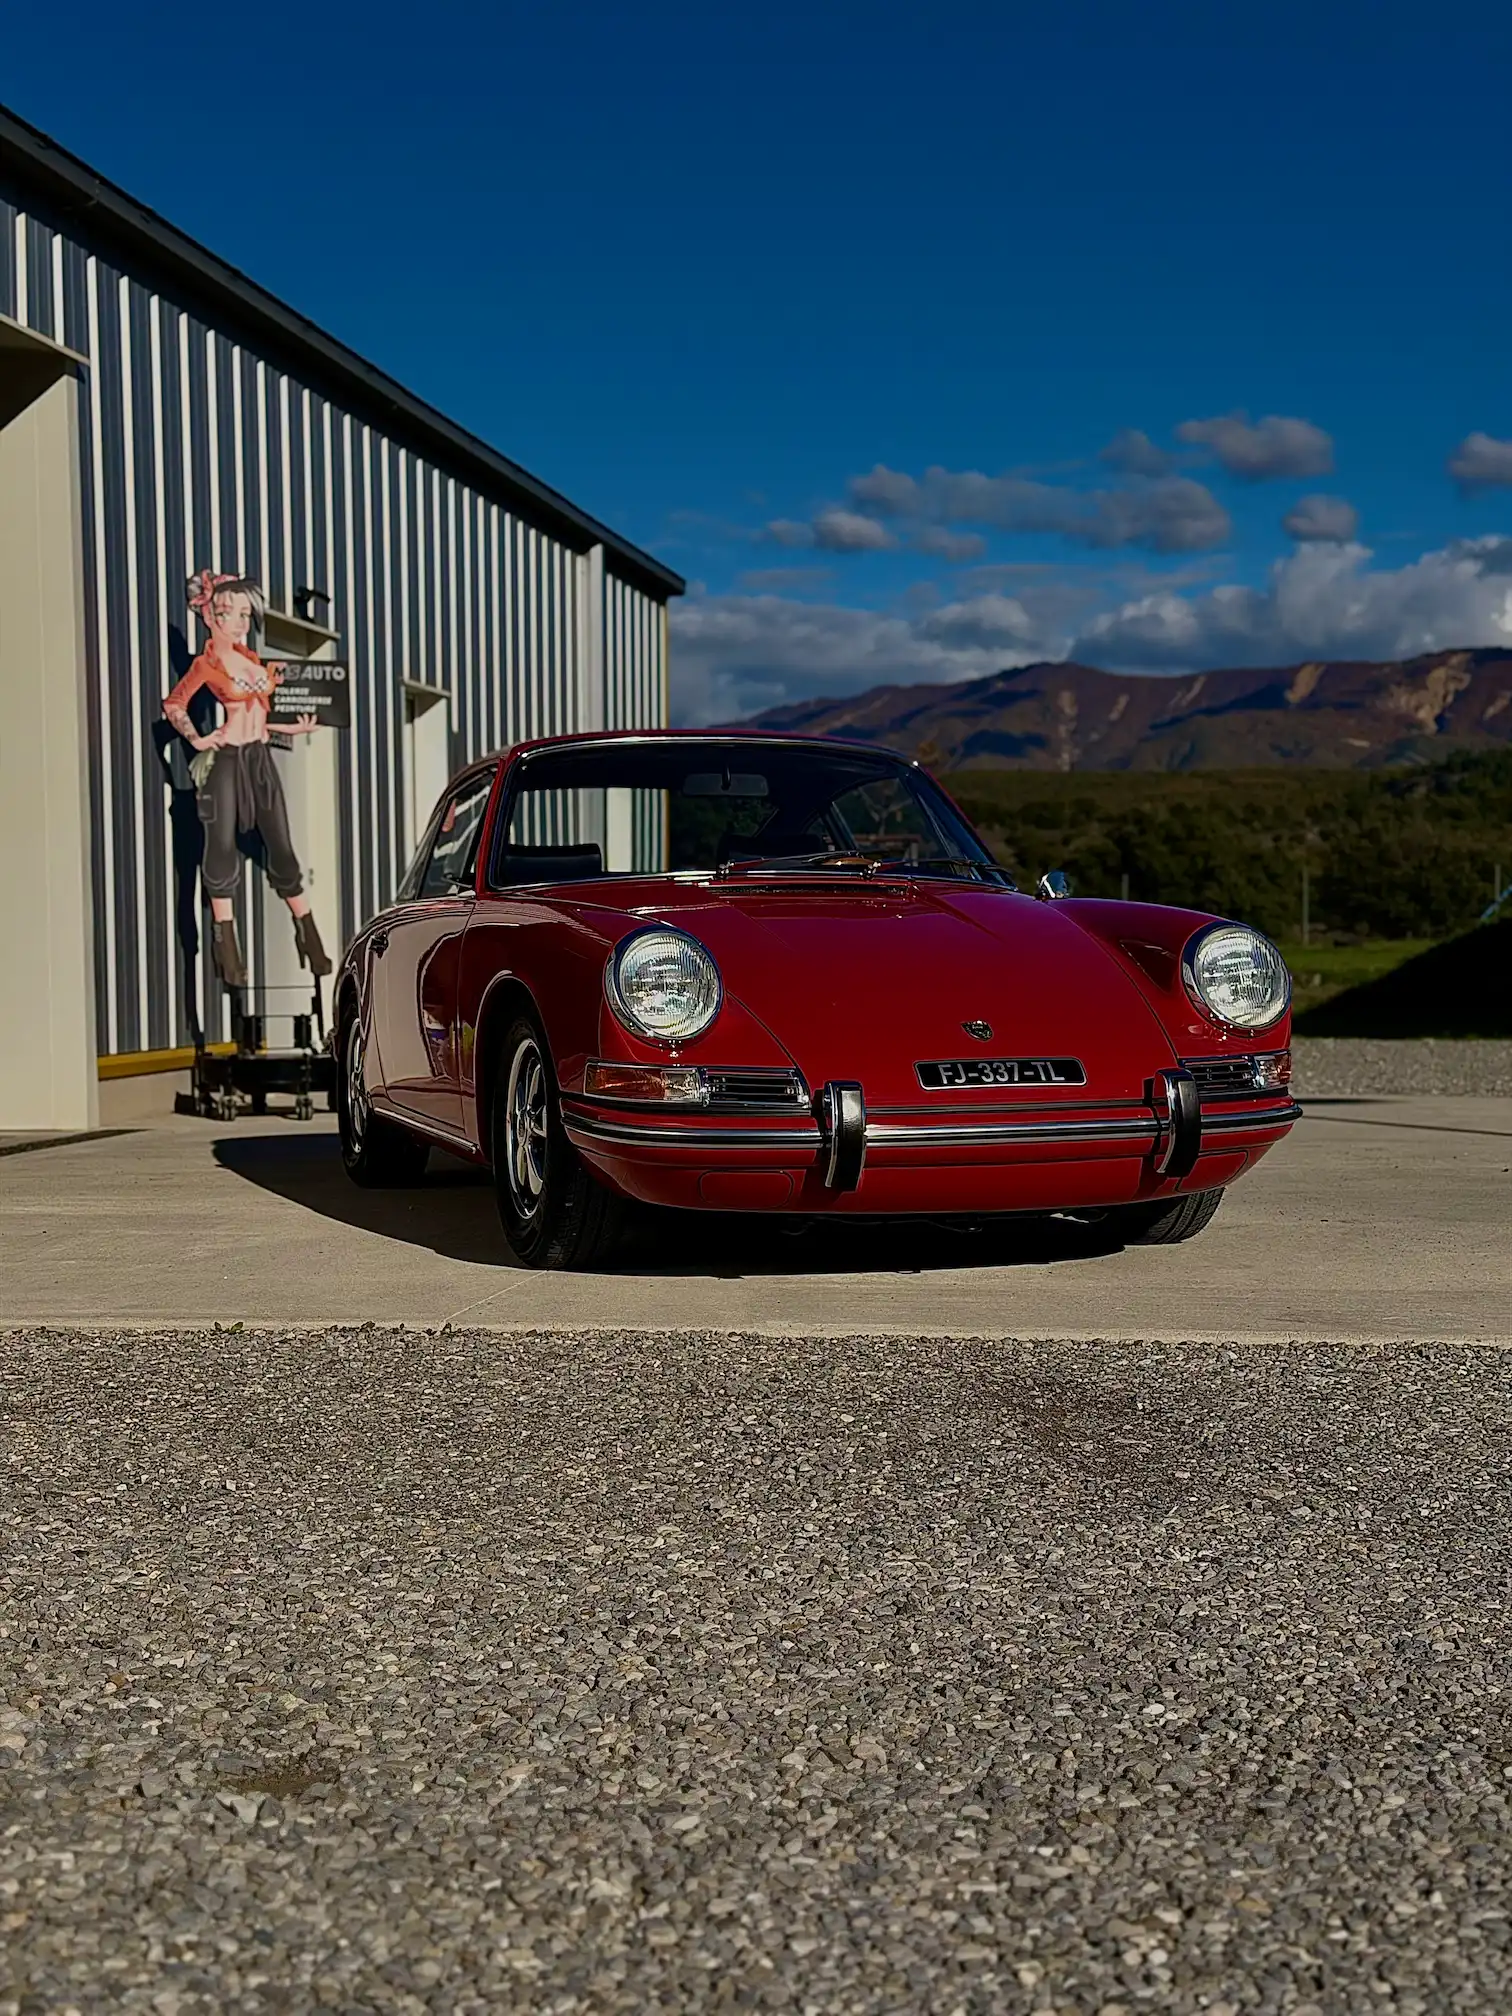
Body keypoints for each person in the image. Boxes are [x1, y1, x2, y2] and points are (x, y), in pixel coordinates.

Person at [163, 569, 332, 988]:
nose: (240, 622)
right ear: (210, 616)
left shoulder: (252, 661)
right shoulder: (207, 664)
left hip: (259, 758)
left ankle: (308, 935)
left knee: (281, 844)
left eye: (245, 614)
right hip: (227, 760)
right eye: (231, 613)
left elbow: (260, 715)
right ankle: (228, 949)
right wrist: (198, 739)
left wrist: (291, 728)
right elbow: (174, 704)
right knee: (220, 849)